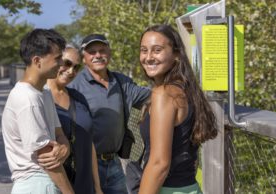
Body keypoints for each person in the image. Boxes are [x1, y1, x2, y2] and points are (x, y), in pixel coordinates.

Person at [138, 24, 218, 194]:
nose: (148, 57)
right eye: (144, 50)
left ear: (176, 55)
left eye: (157, 50)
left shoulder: (164, 94)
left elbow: (159, 164)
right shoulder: (187, 90)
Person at [69, 34, 150, 194]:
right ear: (84, 58)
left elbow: (154, 96)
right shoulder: (74, 87)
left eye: (102, 50)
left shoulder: (122, 82)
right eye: (92, 52)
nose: (98, 55)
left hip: (114, 163)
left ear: (109, 53)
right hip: (85, 165)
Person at [2, 29, 74, 194]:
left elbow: (59, 134)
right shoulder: (27, 99)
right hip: (36, 184)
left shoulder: (44, 92)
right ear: (37, 60)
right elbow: (47, 160)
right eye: (57, 58)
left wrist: (65, 147)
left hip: (45, 183)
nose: (62, 63)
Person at [43, 45, 103, 194]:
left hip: (85, 186)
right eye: (67, 63)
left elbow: (90, 144)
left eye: (76, 67)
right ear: (56, 61)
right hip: (55, 187)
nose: (71, 71)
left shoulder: (79, 98)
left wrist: (97, 187)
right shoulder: (39, 98)